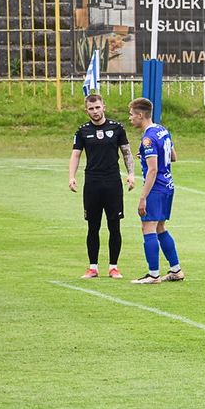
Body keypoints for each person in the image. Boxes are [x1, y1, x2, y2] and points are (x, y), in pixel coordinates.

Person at [68, 94, 135, 279]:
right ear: (86, 110)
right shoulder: (82, 131)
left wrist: (130, 174)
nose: (95, 112)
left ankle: (114, 267)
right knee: (93, 226)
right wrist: (71, 177)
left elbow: (127, 153)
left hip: (113, 182)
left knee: (114, 226)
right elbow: (76, 155)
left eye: (97, 107)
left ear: (103, 107)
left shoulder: (117, 128)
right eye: (91, 109)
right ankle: (93, 267)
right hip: (92, 183)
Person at [127, 97, 185, 285]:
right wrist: (147, 155)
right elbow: (173, 157)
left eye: (131, 115)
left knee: (148, 227)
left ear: (141, 115)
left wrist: (143, 197)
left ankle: (153, 275)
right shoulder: (162, 130)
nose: (130, 119)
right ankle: (176, 270)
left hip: (156, 187)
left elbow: (152, 169)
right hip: (168, 185)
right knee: (160, 227)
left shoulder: (148, 138)